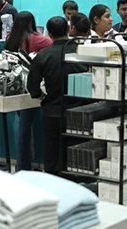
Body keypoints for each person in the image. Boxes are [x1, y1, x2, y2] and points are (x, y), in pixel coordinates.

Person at [27, 16, 87, 175]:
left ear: (49, 34)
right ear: (68, 30)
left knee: (52, 155)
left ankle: (54, 185)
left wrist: (41, 95)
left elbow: (32, 87)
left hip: (52, 112)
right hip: (80, 113)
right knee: (77, 156)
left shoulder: (43, 55)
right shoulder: (83, 52)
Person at [5, 11, 53, 171]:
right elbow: (51, 46)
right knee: (25, 127)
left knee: (22, 126)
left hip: (15, 86)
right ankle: (24, 166)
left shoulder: (11, 39)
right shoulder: (39, 39)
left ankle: (23, 164)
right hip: (32, 87)